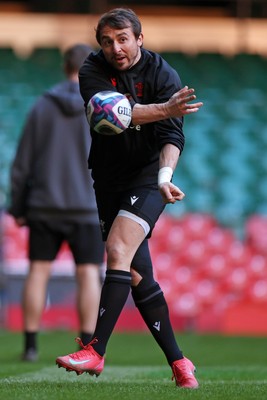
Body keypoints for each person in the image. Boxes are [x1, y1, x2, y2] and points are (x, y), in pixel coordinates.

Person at [56, 8, 203, 388]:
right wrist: (164, 109)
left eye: (122, 39)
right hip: (106, 180)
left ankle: (95, 350)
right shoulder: (91, 70)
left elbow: (172, 135)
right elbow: (115, 114)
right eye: (107, 41)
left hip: (148, 179)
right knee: (137, 275)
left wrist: (165, 177)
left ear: (139, 38)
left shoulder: (163, 75)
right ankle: (180, 362)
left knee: (118, 249)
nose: (115, 47)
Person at [9, 44, 105, 362]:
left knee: (38, 271)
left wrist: (19, 208)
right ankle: (88, 346)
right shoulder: (101, 107)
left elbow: (22, 163)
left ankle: (31, 345)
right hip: (88, 206)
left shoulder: (41, 106)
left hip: (44, 205)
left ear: (64, 67)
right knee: (89, 273)